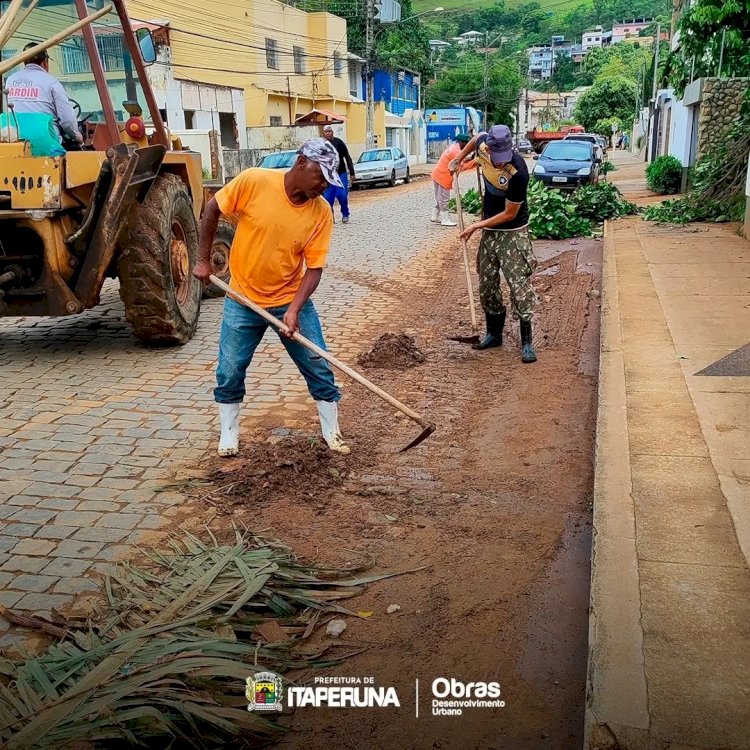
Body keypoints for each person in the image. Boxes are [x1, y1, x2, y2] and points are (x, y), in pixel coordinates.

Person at [193, 138, 350, 457]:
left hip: (290, 298)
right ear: (302, 162)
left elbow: (314, 269)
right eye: (321, 177)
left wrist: (293, 310)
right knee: (230, 368)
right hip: (242, 298)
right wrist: (203, 259)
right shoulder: (255, 181)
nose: (323, 186)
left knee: (318, 363)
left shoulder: (321, 213)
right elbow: (212, 209)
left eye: (328, 181)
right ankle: (229, 433)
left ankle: (331, 431)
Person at [449, 124, 538, 363]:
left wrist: (476, 226)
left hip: (512, 232)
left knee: (518, 284)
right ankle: (493, 334)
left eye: (503, 158)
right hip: (489, 230)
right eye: (496, 158)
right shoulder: (482, 143)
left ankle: (527, 341)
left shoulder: (518, 171)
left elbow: (510, 214)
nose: (499, 163)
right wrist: (458, 159)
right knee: (487, 282)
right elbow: (475, 138)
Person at [5, 43, 82, 147]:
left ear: (24, 62)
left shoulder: (10, 80)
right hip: (46, 145)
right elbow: (67, 120)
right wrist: (76, 135)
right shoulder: (51, 82)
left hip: (16, 141)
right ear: (45, 62)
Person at [430, 133, 475, 227]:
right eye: (467, 144)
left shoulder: (454, 147)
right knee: (444, 198)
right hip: (443, 176)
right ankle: (445, 219)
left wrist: (470, 158)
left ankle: (435, 216)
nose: (467, 147)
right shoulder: (456, 151)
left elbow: (461, 159)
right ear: (462, 142)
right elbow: (461, 166)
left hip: (438, 174)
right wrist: (475, 162)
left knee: (439, 197)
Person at [322, 125, 355, 224]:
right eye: (326, 132)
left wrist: (352, 172)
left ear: (332, 132)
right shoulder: (322, 145)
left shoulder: (339, 143)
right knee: (328, 197)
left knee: (342, 195)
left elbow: (347, 157)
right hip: (328, 175)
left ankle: (345, 213)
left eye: (329, 131)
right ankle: (330, 216)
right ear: (323, 134)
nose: (328, 133)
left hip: (340, 173)